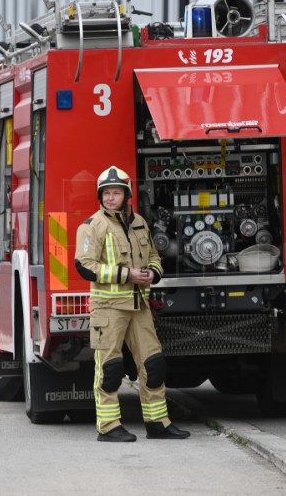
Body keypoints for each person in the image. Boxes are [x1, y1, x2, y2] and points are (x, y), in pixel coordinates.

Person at [74, 166, 190, 442]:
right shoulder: (92, 226)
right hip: (108, 308)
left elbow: (153, 255)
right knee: (110, 369)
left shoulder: (139, 222)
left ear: (126, 194)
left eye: (116, 193)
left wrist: (153, 272)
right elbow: (84, 266)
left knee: (153, 364)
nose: (111, 198)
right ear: (100, 196)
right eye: (106, 193)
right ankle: (109, 426)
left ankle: (157, 422)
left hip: (139, 305)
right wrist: (127, 275)